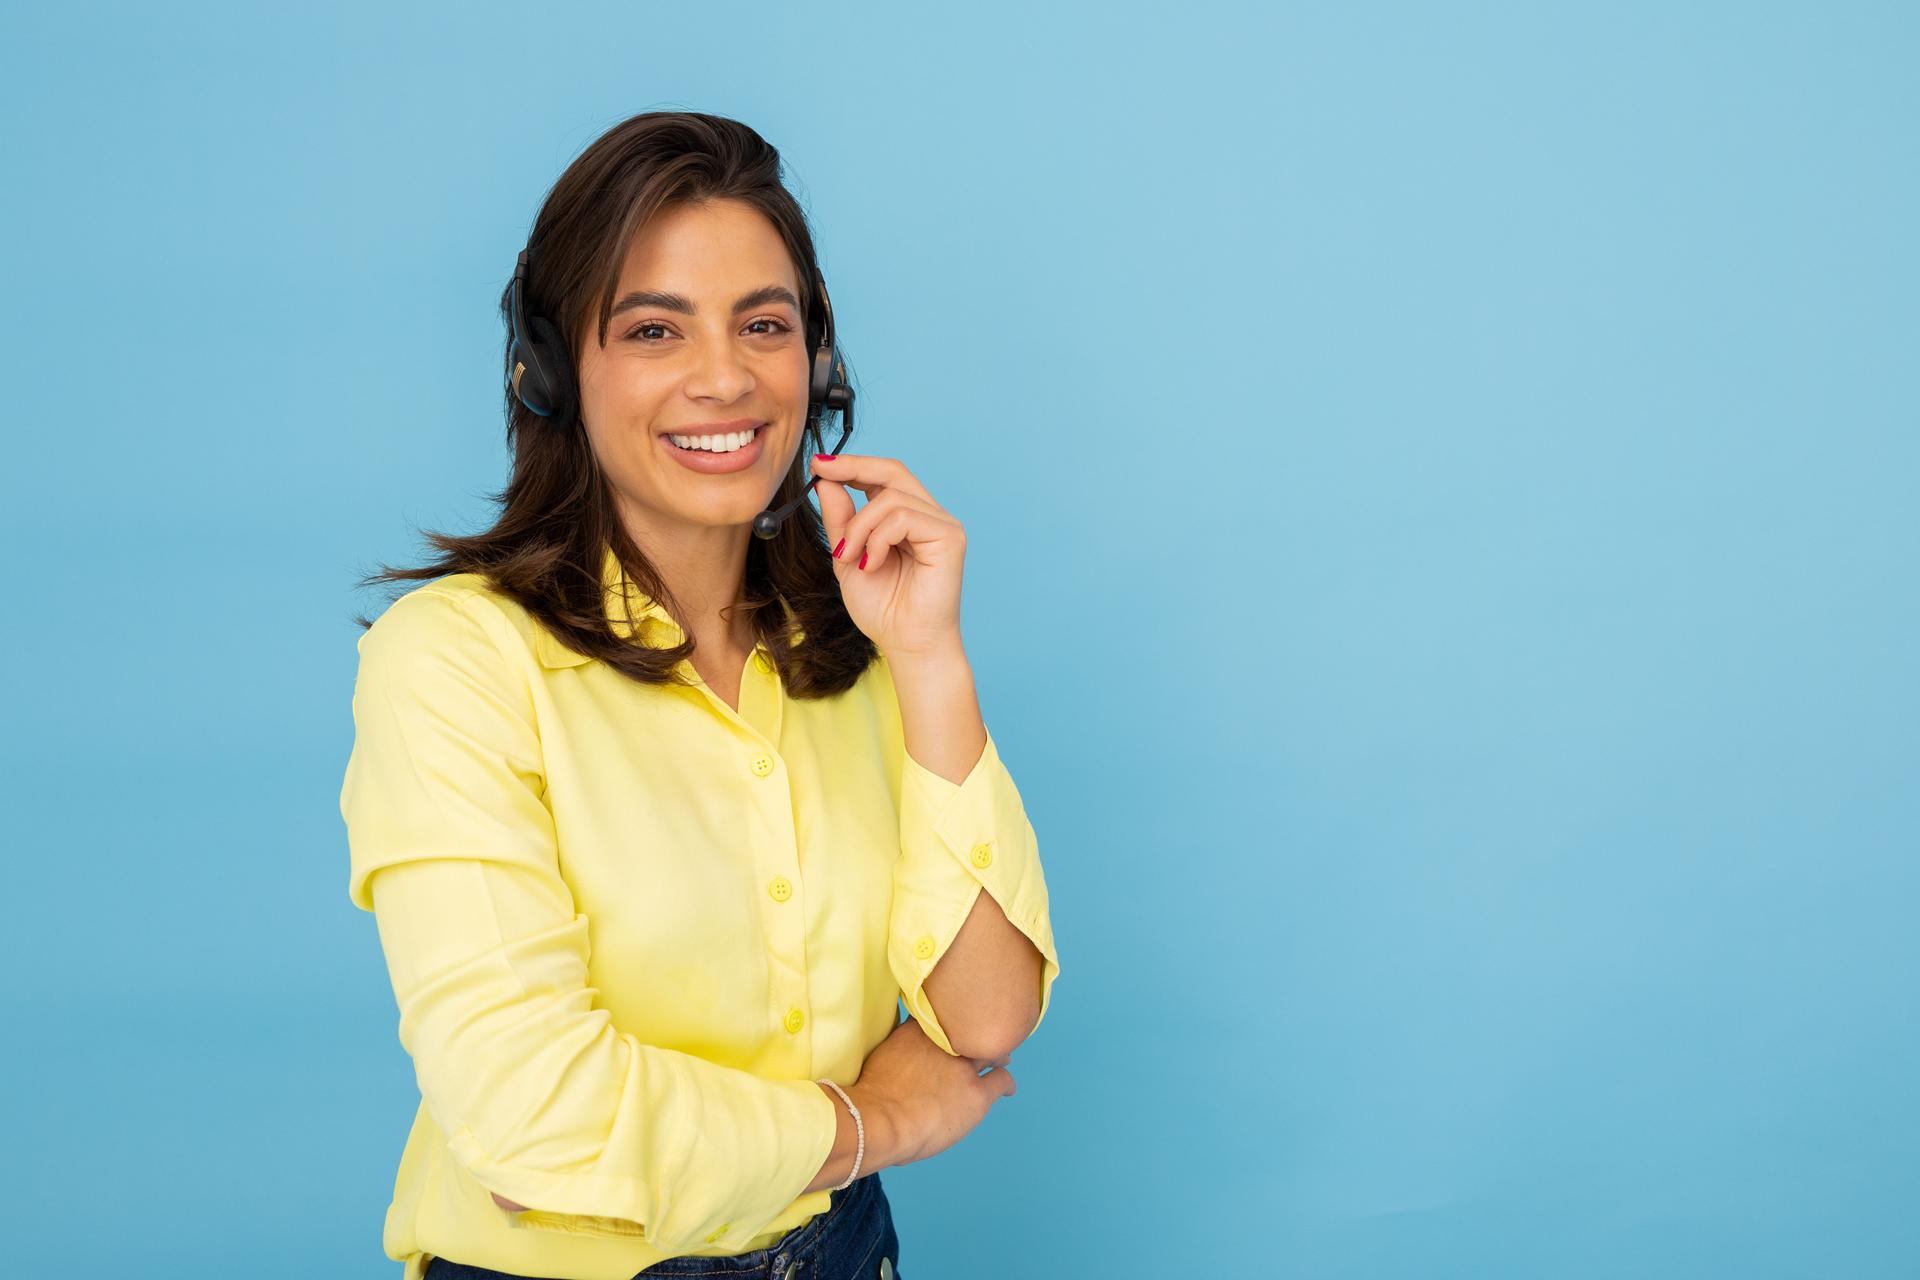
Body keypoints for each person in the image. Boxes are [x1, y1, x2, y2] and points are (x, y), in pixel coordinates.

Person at [337, 111, 1061, 1280]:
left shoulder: (862, 641)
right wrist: (873, 1123)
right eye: (653, 328)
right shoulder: (454, 662)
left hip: (841, 1254)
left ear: (817, 361)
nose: (724, 377)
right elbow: (533, 1123)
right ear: (555, 366)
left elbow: (981, 1021)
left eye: (763, 325)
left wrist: (932, 662)